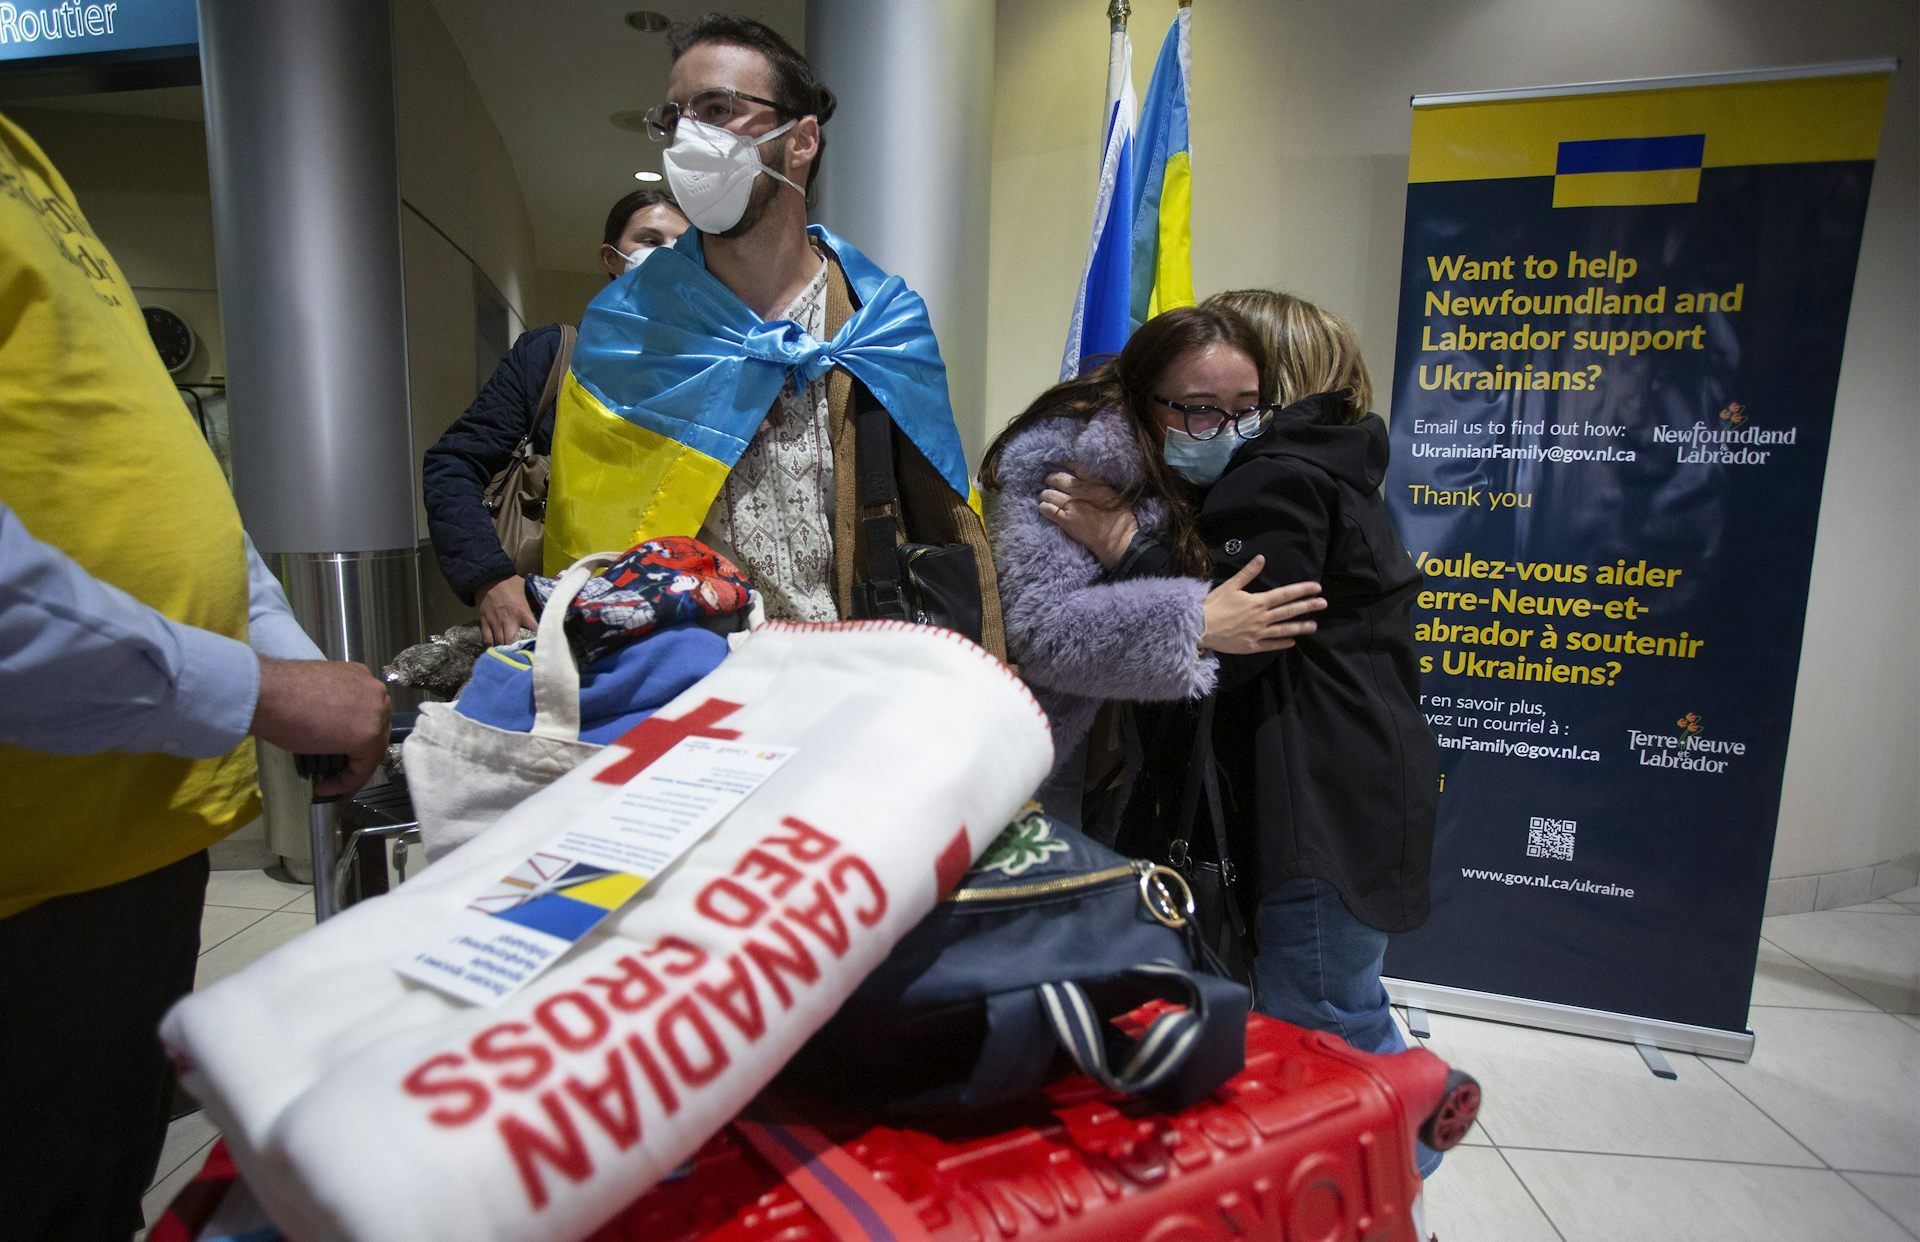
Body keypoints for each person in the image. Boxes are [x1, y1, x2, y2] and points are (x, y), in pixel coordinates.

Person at [0, 113, 391, 1237]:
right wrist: (257, 691)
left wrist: (291, 658)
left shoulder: (27, 157)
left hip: (131, 841)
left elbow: (168, 481)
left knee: (98, 1183)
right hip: (28, 878)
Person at [1036, 291, 1442, 1179]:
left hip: (1317, 810)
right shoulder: (1336, 464)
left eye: (1240, 398)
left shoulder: (1277, 478)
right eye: (1199, 401)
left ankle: (1408, 1151)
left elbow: (1242, 636)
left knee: (1326, 1022)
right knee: (1328, 1000)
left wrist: (1125, 545)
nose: (1221, 418)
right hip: (1352, 792)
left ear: (1276, 382)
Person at [543, 15, 1006, 653]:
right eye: (675, 117)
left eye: (717, 109)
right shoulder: (631, 329)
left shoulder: (877, 321)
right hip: (691, 681)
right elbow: (592, 538)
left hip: (854, 674)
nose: (687, 138)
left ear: (801, 140)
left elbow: (947, 521)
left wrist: (986, 681)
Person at [979, 306, 1326, 833]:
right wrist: (1195, 622)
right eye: (1200, 408)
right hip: (1046, 761)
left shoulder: (1236, 463)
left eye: (1246, 408)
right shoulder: (1071, 464)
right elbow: (1042, 633)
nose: (1226, 430)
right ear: (1143, 397)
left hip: (1136, 756)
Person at [424, 188, 690, 644]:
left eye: (682, 245)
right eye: (649, 240)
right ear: (611, 258)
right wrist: (490, 577)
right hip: (561, 609)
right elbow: (453, 464)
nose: (667, 256)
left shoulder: (712, 366)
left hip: (678, 609)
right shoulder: (552, 355)